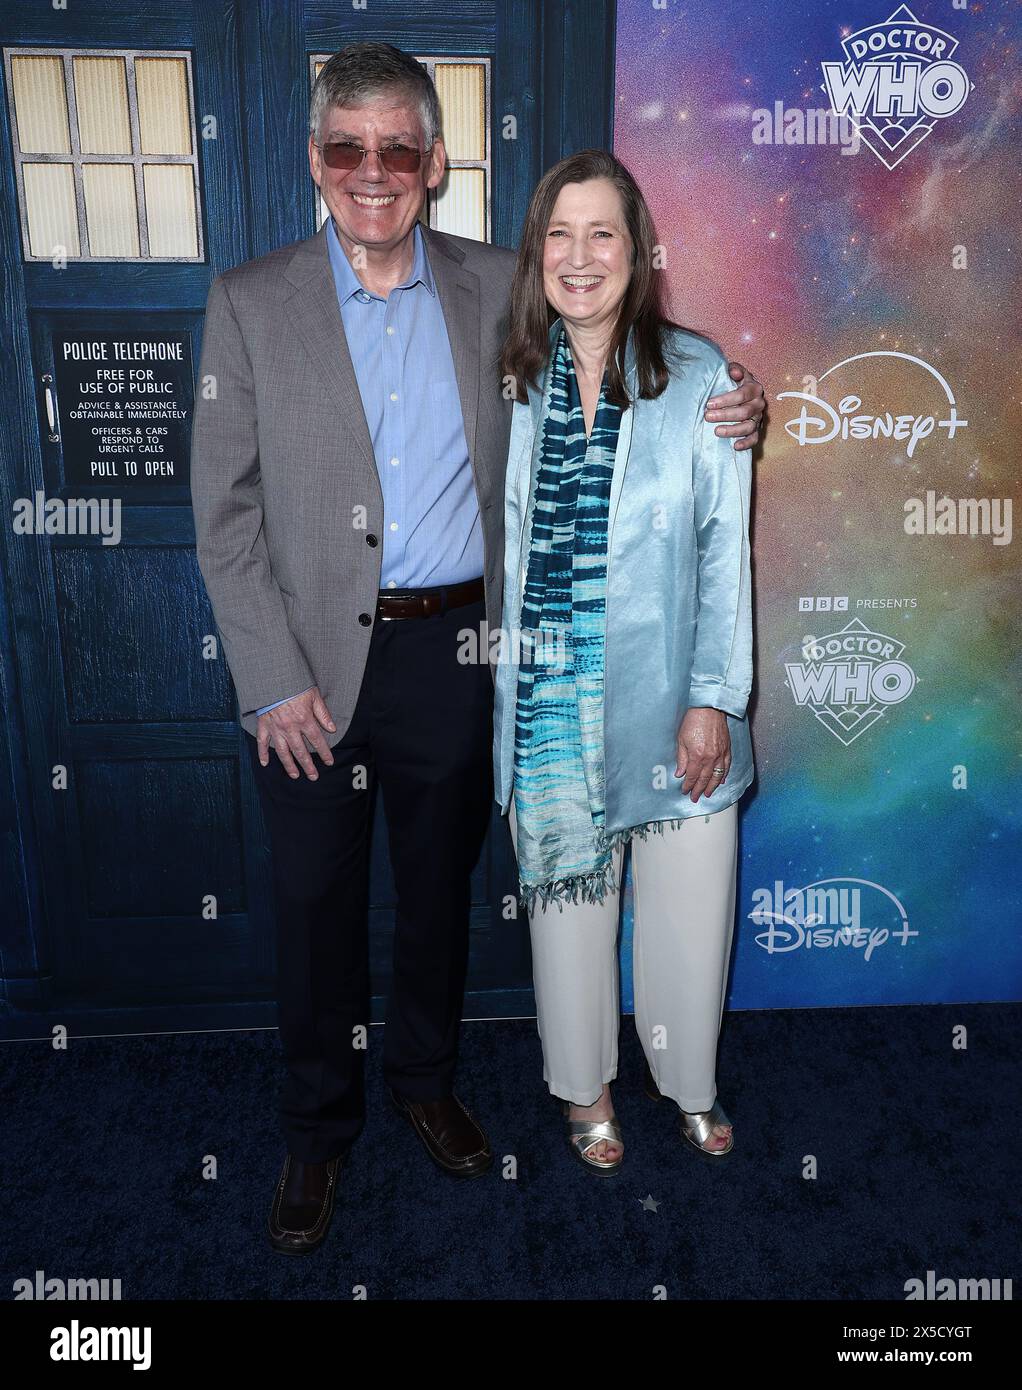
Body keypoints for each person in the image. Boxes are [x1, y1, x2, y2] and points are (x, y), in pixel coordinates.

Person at [191, 45, 765, 1253]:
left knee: (436, 903)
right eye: (347, 148)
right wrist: (269, 676)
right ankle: (315, 1130)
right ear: (314, 161)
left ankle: (425, 1084)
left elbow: (641, 363)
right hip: (308, 672)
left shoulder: (495, 289)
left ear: (435, 162)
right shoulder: (249, 302)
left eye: (398, 148)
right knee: (311, 909)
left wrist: (738, 401)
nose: (373, 172)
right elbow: (223, 513)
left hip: (459, 652)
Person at [493, 149, 756, 1175]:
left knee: (688, 909)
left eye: (600, 231)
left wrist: (710, 700)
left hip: (670, 700)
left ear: (638, 250)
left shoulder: (700, 378)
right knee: (567, 917)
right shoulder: (511, 378)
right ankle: (586, 1089)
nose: (578, 254)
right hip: (549, 703)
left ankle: (687, 1082)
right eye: (558, 234)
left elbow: (723, 552)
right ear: (536, 255)